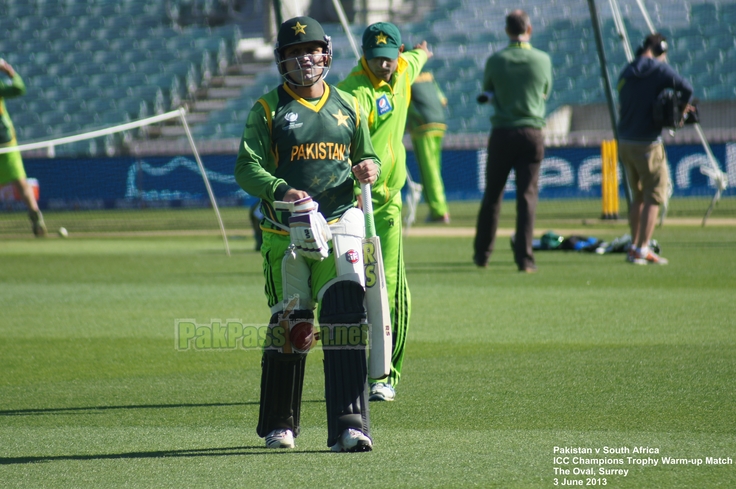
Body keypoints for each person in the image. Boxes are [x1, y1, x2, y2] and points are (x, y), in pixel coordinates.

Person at [234, 16, 381, 452]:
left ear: (326, 53)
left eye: (312, 50)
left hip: (340, 224)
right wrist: (280, 189)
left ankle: (350, 425)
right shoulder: (267, 109)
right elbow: (246, 168)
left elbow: (366, 154)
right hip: (286, 232)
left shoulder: (350, 104)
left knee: (346, 319)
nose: (305, 59)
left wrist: (369, 166)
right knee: (292, 325)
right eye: (295, 52)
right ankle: (281, 425)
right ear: (282, 59)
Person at [338, 22, 431, 401]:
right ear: (364, 55)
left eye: (389, 58)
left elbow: (418, 56)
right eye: (375, 59)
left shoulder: (405, 67)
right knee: (351, 291)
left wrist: (424, 51)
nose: (384, 65)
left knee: (390, 290)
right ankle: (349, 369)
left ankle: (384, 375)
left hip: (388, 204)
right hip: (352, 206)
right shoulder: (351, 92)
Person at [472, 10, 552, 273]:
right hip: (532, 132)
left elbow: (488, 91)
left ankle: (483, 255)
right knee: (527, 197)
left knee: (493, 196)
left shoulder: (496, 60)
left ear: (507, 31)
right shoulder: (542, 59)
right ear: (529, 29)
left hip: (503, 132)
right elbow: (545, 92)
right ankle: (525, 260)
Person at [617, 33, 693, 265]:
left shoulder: (627, 70)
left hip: (625, 141)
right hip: (648, 142)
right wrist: (679, 112)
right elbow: (687, 89)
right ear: (661, 49)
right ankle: (642, 249)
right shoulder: (659, 69)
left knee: (637, 196)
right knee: (654, 195)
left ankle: (633, 246)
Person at [0, 58, 46, 237]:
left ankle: (36, 218)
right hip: (5, 141)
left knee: (20, 181)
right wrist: (9, 71)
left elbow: (19, 88)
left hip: (5, 142)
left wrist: (9, 72)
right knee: (20, 182)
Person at [406, 70, 450, 224]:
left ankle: (439, 211)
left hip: (423, 126)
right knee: (435, 169)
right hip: (439, 123)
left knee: (429, 171)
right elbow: (443, 100)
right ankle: (438, 208)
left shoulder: (405, 73)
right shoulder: (429, 76)